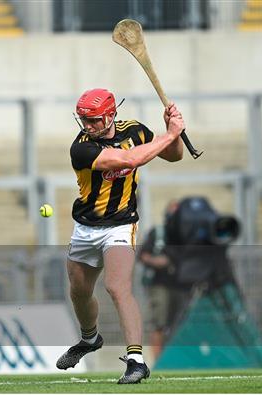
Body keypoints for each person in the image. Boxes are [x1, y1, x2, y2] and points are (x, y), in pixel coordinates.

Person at [56, 88, 184, 384]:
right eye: (84, 119)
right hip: (86, 227)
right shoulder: (82, 148)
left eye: (95, 120)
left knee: (117, 287)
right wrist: (169, 134)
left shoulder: (136, 130)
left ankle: (137, 361)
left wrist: (172, 133)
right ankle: (89, 339)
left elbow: (174, 156)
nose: (88, 126)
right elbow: (128, 161)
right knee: (78, 290)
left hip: (120, 225)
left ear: (111, 115)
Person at [137, 200, 192, 361]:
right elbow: (143, 255)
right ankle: (159, 361)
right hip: (159, 284)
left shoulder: (186, 236)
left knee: (179, 324)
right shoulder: (158, 233)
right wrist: (158, 262)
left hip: (181, 285)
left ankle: (176, 359)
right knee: (159, 323)